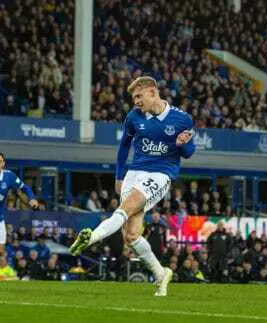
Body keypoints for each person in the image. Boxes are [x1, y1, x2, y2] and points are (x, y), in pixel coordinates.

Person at [70, 76, 195, 296]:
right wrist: (119, 177)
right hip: (134, 173)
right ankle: (161, 274)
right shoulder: (134, 117)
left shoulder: (181, 119)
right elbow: (123, 147)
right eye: (133, 97)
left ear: (152, 92)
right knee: (131, 235)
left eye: (139, 96)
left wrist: (181, 145)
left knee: (124, 211)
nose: (136, 101)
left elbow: (189, 152)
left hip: (160, 174)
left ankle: (91, 238)